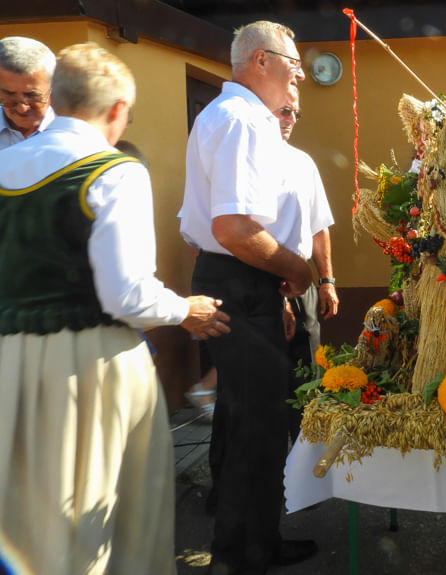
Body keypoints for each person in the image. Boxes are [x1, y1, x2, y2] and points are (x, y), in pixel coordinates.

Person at [0, 42, 230, 575]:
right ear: (118, 111)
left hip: (9, 361)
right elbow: (125, 294)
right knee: (98, 517)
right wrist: (185, 309)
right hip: (89, 367)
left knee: (23, 518)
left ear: (56, 99)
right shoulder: (113, 171)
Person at [178, 20, 315, 575]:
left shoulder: (232, 115)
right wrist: (298, 270)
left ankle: (254, 544)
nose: (298, 79)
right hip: (237, 278)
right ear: (262, 61)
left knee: (249, 427)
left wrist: (276, 285)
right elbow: (235, 230)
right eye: (295, 66)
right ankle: (242, 557)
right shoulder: (241, 120)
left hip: (243, 281)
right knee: (255, 434)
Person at [275, 97, 339, 442]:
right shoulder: (247, 160)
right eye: (284, 111)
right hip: (262, 284)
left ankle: (305, 464)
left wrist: (327, 280)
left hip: (304, 289)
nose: (291, 120)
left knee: (308, 378)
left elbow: (319, 226)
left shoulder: (302, 162)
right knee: (270, 385)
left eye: (296, 113)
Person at [0, 36, 56, 150]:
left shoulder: (76, 136)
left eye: (32, 96)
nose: (22, 108)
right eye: (9, 96)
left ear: (53, 88)